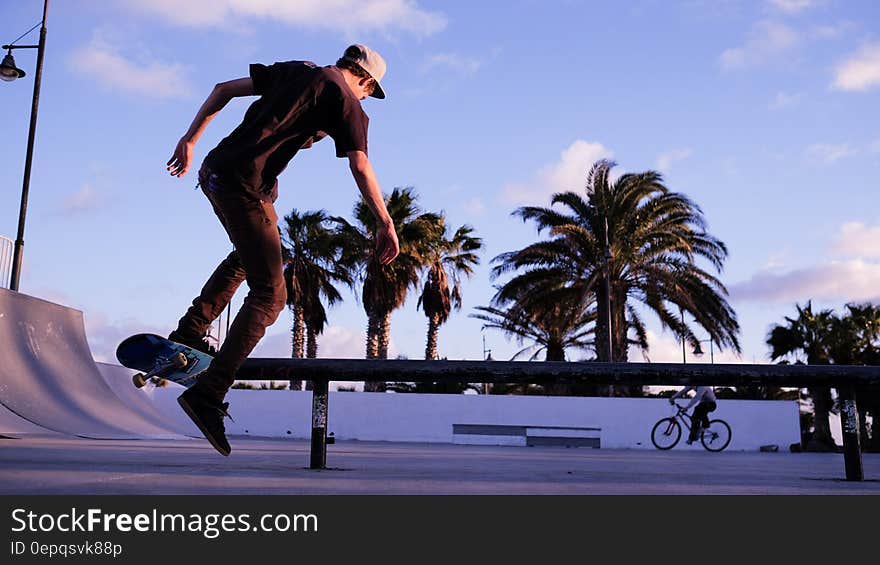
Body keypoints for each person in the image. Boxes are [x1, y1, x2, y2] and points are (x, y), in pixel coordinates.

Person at [165, 44, 400, 456]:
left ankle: (191, 330)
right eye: (369, 92)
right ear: (366, 80)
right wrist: (386, 222)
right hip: (243, 187)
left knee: (250, 254)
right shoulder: (347, 103)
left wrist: (189, 139)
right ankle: (208, 393)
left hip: (215, 170)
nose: (365, 99)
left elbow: (223, 89)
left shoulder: (298, 69)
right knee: (272, 295)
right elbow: (360, 165)